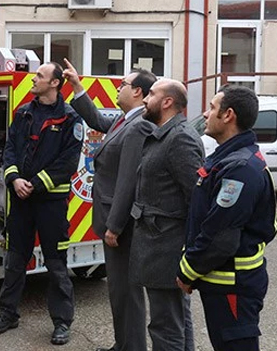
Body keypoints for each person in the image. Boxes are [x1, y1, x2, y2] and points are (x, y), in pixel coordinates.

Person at [0, 62, 84, 346]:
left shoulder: (71, 119)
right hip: (20, 200)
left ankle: (62, 323)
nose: (34, 78)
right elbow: (10, 149)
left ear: (54, 83)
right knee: (15, 259)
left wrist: (36, 183)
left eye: (40, 76)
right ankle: (8, 313)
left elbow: (68, 163)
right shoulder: (23, 113)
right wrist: (14, 179)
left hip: (51, 203)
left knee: (56, 264)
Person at [63, 59, 156, 351]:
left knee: (127, 292)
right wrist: (78, 87)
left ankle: (132, 347)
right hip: (112, 220)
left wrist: (114, 226)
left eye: (124, 84)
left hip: (122, 226)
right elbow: (97, 121)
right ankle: (123, 344)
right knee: (118, 291)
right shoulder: (123, 119)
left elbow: (128, 181)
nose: (118, 88)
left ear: (138, 92)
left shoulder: (139, 125)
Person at [176, 85, 277, 351]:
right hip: (223, 283)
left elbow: (220, 237)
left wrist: (187, 272)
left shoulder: (239, 169)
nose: (206, 114)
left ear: (228, 115)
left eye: (212, 107)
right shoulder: (228, 160)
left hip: (233, 286)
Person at [131, 78, 203, 351]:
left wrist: (188, 252)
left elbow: (196, 199)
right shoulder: (164, 133)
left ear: (167, 102)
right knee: (175, 320)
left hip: (167, 248)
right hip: (158, 245)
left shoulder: (180, 138)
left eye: (150, 94)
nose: (145, 99)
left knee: (164, 326)